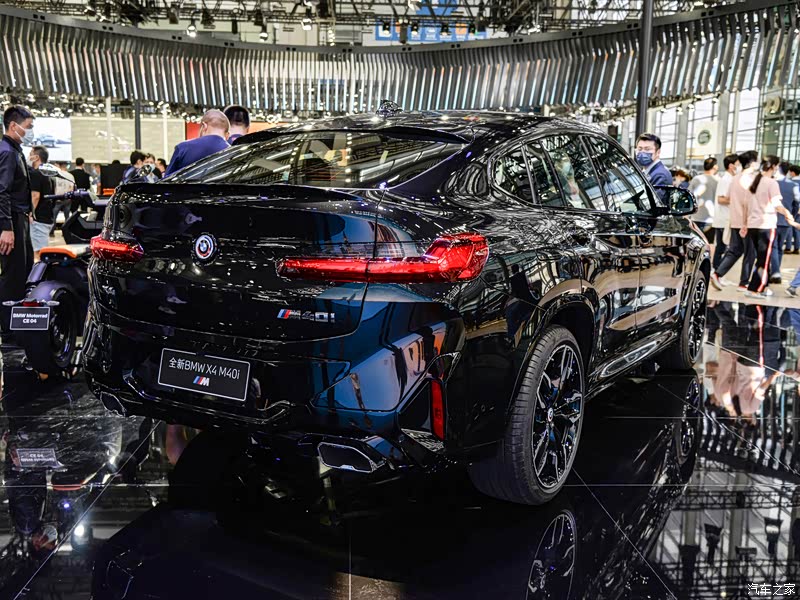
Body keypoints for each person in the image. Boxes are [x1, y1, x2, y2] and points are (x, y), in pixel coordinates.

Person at [739, 156, 795, 298]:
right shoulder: (771, 183)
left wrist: (744, 224)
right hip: (766, 226)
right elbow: (777, 204)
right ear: (773, 166)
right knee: (764, 260)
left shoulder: (754, 181)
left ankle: (762, 287)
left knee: (762, 258)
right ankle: (754, 289)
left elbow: (746, 205)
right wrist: (787, 213)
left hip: (753, 225)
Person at [0, 106, 35, 331]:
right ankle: (8, 329)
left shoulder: (15, 150)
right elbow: (2, 191)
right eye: (28, 127)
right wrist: (7, 227)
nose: (31, 131)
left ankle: (16, 325)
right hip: (11, 220)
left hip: (19, 218)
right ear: (14, 126)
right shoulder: (7, 152)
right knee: (12, 275)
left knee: (23, 271)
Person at [710, 151, 759, 291]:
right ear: (752, 163)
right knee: (750, 253)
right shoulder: (751, 180)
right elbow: (750, 202)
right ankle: (744, 283)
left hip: (735, 220)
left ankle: (718, 274)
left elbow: (729, 198)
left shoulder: (735, 179)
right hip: (747, 221)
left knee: (735, 250)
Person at [165, 110, 230, 176]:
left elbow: (166, 180)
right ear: (227, 135)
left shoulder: (183, 148)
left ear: (204, 126)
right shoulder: (232, 153)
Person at [769, 161, 800, 283]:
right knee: (779, 247)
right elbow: (796, 203)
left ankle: (775, 272)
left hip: (773, 219)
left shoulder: (773, 183)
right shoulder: (793, 185)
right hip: (787, 221)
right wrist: (792, 216)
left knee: (773, 247)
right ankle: (775, 272)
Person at [712, 154, 740, 269]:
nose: (739, 166)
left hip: (726, 218)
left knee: (723, 247)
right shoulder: (726, 180)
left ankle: (717, 270)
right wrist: (737, 200)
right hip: (723, 219)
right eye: (738, 164)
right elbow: (721, 199)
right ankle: (717, 270)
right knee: (723, 247)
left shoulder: (731, 179)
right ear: (731, 166)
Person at [27, 146, 54, 256]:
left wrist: (30, 213)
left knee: (38, 254)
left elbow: (35, 196)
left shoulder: (36, 173)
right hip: (46, 217)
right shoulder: (48, 173)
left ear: (36, 157)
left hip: (38, 219)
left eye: (30, 154)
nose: (28, 157)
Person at [688, 157, 718, 240]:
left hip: (696, 217)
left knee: (696, 242)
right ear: (715, 167)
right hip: (711, 218)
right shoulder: (718, 180)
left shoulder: (696, 179)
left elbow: (689, 196)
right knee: (710, 243)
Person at [49, 162, 75, 236]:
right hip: (67, 199)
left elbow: (53, 187)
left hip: (57, 198)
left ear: (59, 166)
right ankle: (66, 232)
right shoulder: (70, 176)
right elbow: (72, 187)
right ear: (66, 166)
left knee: (54, 216)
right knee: (67, 217)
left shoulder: (56, 175)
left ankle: (52, 232)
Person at [789, 164, 800, 255]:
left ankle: (788, 246)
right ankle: (797, 247)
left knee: (790, 226)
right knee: (797, 227)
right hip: (798, 208)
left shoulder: (790, 182)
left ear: (793, 172)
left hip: (792, 207)